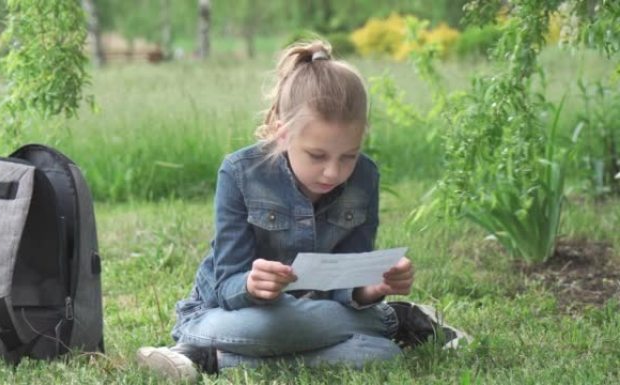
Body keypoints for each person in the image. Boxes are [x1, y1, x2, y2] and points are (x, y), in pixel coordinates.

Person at [136, 40, 470, 382]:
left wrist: (374, 288)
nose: (333, 172)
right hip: (228, 313)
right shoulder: (239, 173)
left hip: (315, 313)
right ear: (282, 134)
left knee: (381, 355)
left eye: (348, 156)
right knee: (290, 331)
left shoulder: (365, 176)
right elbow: (225, 285)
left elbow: (349, 275)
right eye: (317, 156)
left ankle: (205, 358)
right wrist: (251, 284)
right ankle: (393, 321)